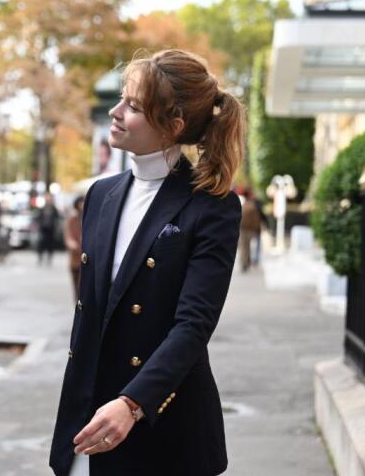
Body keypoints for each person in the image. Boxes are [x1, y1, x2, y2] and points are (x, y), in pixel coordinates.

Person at [50, 49, 244, 476]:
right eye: (122, 99)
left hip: (165, 430)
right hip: (90, 419)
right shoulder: (101, 195)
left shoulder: (212, 206)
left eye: (134, 106)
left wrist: (133, 403)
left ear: (172, 126)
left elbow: (192, 326)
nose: (117, 113)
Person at [63, 195, 85, 302]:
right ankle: (77, 306)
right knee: (76, 286)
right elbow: (69, 238)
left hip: (87, 259)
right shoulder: (72, 220)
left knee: (84, 287)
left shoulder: (90, 217)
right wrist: (74, 244)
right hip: (75, 259)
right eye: (80, 203)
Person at [239, 187, 265, 272]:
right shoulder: (254, 204)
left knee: (244, 247)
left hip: (243, 229)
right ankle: (250, 261)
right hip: (252, 229)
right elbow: (259, 217)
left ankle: (244, 263)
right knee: (252, 246)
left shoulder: (243, 204)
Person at [36, 193, 61, 265]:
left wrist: (56, 227)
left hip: (51, 229)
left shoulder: (54, 209)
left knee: (50, 244)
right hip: (43, 228)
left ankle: (49, 258)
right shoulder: (42, 208)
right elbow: (39, 218)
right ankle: (40, 257)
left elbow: (57, 218)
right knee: (41, 243)